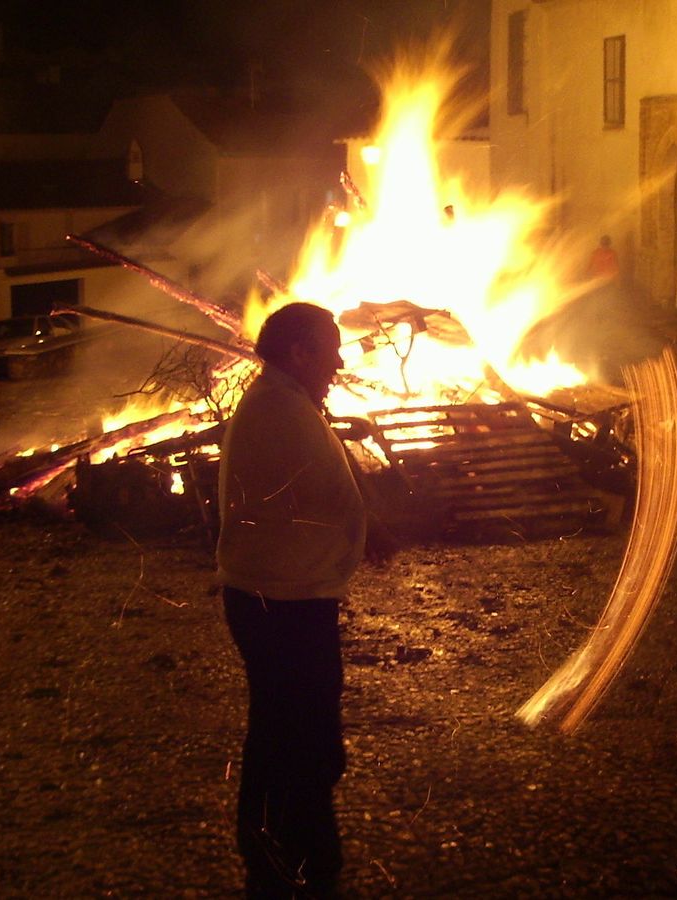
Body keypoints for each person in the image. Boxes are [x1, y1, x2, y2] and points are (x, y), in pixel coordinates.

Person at [216, 302, 388, 897]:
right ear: (299, 352)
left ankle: (287, 856)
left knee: (288, 730)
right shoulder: (279, 411)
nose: (339, 362)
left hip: (284, 594)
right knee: (301, 737)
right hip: (282, 602)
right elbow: (326, 496)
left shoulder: (283, 402)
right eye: (330, 349)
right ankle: (299, 865)